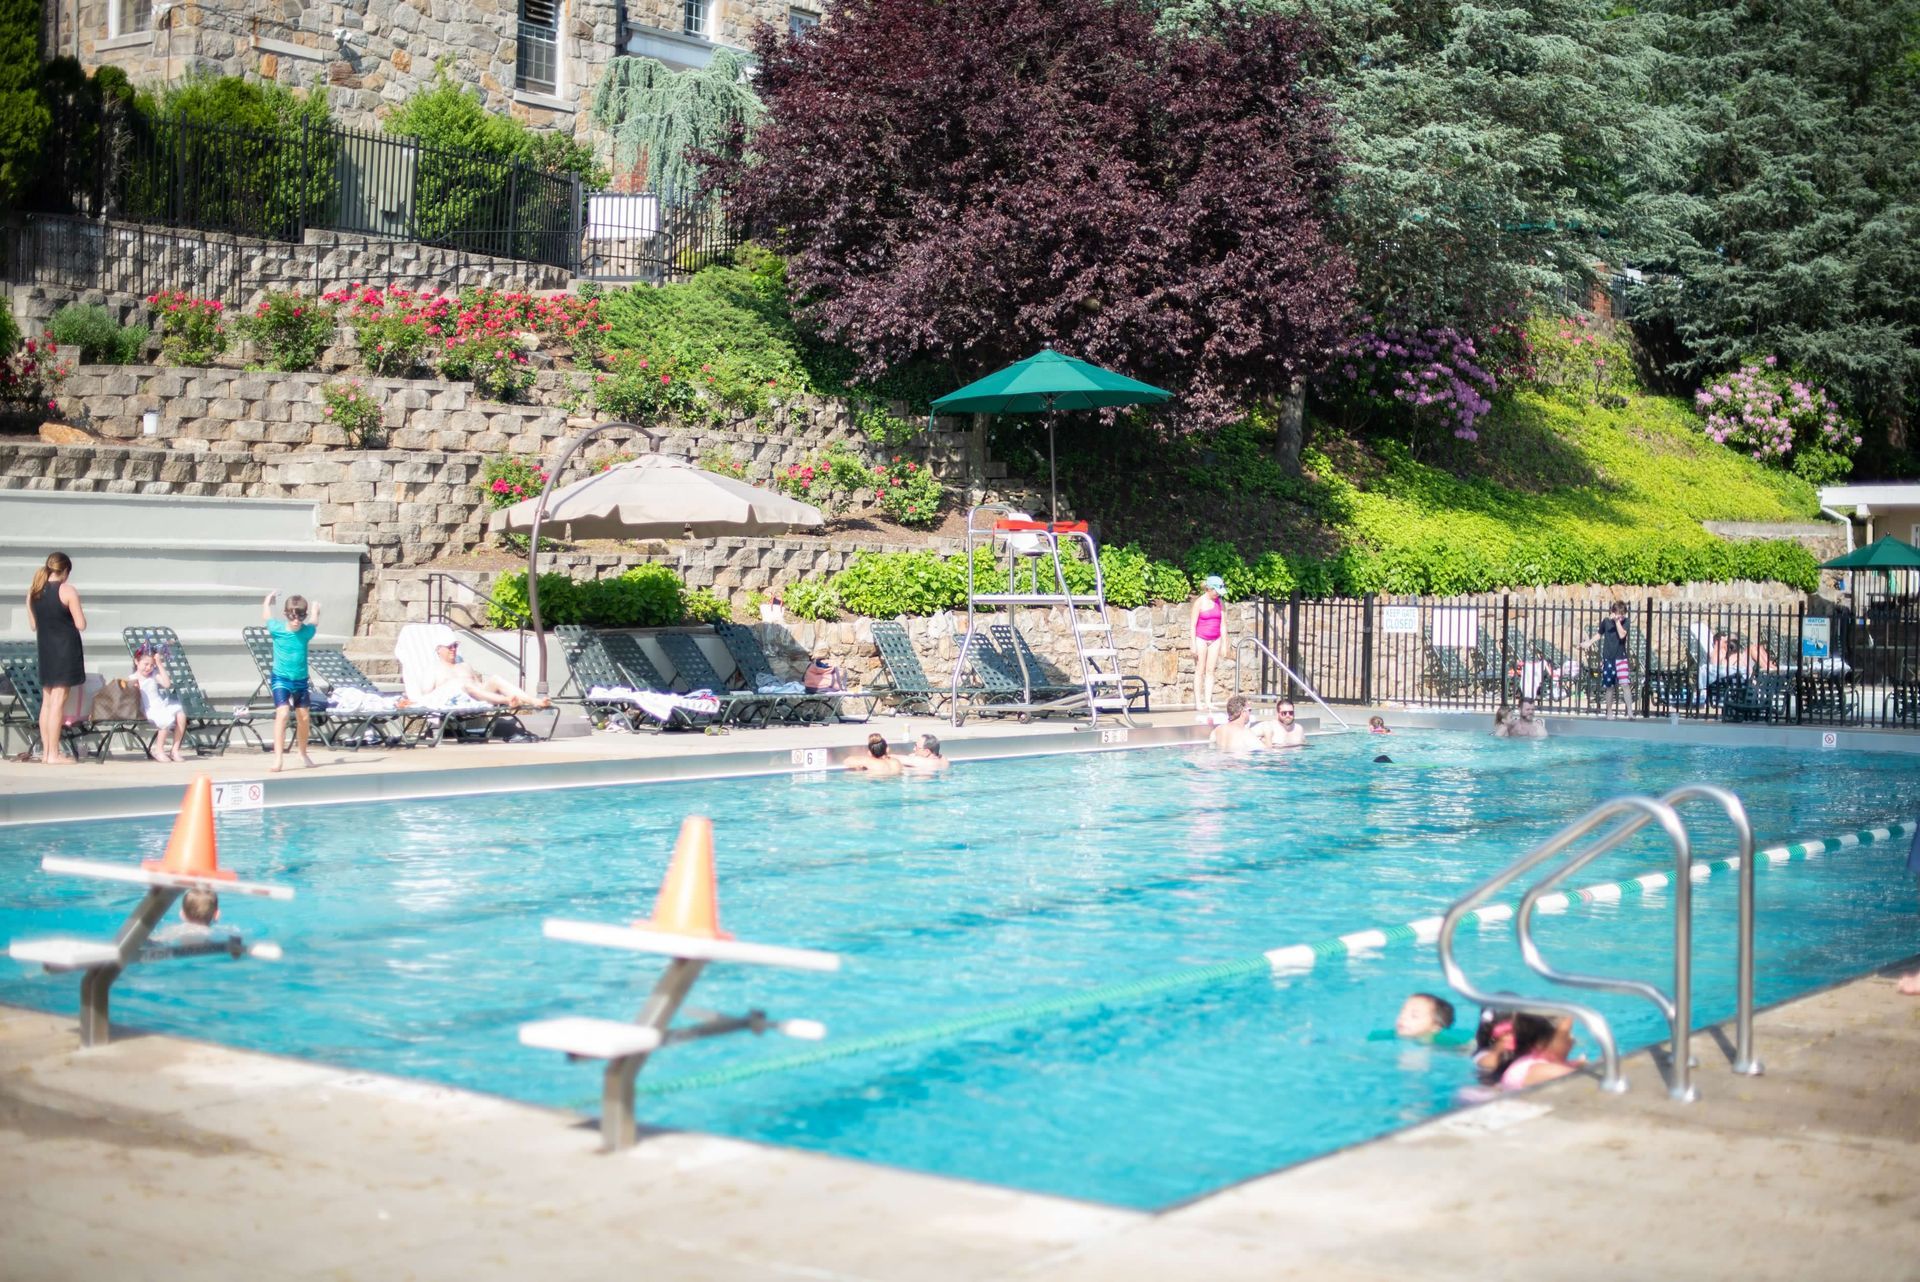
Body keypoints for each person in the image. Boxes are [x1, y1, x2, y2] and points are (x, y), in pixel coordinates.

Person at [27, 552, 86, 766]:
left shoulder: (33, 591)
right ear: (65, 571)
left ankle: (46, 753)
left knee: (47, 702)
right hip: (65, 650)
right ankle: (53, 754)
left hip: (46, 650)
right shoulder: (67, 590)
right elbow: (80, 624)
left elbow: (33, 624)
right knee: (58, 703)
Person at [264, 590, 320, 772]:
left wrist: (315, 610)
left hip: (301, 681)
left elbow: (314, 622)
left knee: (304, 717)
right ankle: (278, 758)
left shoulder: (307, 632)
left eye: (300, 618)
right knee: (282, 714)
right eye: (293, 617)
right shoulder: (277, 629)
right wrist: (267, 602)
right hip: (281, 678)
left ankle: (302, 752)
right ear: (286, 615)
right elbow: (267, 617)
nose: (297, 621)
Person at [422, 635, 551, 709]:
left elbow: (479, 686)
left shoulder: (464, 665)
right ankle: (507, 700)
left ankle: (533, 701)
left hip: (478, 698)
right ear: (439, 650)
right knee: (465, 686)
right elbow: (426, 695)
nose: (453, 649)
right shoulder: (434, 668)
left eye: (455, 646)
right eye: (449, 647)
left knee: (495, 679)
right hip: (454, 700)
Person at [132, 644, 188, 763]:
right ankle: (159, 750)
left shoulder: (153, 674)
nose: (148, 668)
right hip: (147, 709)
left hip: (160, 705)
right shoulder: (133, 678)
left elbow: (167, 684)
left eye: (151, 665)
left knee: (181, 714)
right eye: (145, 664)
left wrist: (159, 664)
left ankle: (175, 750)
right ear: (136, 662)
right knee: (164, 720)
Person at [1497, 1013, 1584, 1089]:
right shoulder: (1542, 1072)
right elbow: (1588, 1081)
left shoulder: (1526, 1064)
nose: (1572, 1039)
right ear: (1540, 1043)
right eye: (1566, 1034)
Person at [1585, 599, 1632, 718]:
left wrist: (1617, 622)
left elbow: (1622, 635)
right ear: (1613, 612)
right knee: (1609, 687)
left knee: (1625, 685)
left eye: (1622, 614)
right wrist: (1589, 643)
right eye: (1619, 614)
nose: (1621, 617)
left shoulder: (1626, 622)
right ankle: (1609, 712)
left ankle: (1630, 713)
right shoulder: (1606, 622)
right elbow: (1599, 634)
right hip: (1608, 658)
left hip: (1621, 658)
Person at [1189, 575, 1227, 711]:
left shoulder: (1220, 602)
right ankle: (1199, 702)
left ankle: (1208, 701)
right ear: (1209, 589)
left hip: (1215, 639)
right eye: (1216, 591)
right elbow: (1193, 625)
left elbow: (1223, 624)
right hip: (1201, 638)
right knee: (1200, 669)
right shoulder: (1200, 602)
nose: (1217, 594)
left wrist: (1224, 644)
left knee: (1210, 670)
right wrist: (1193, 644)